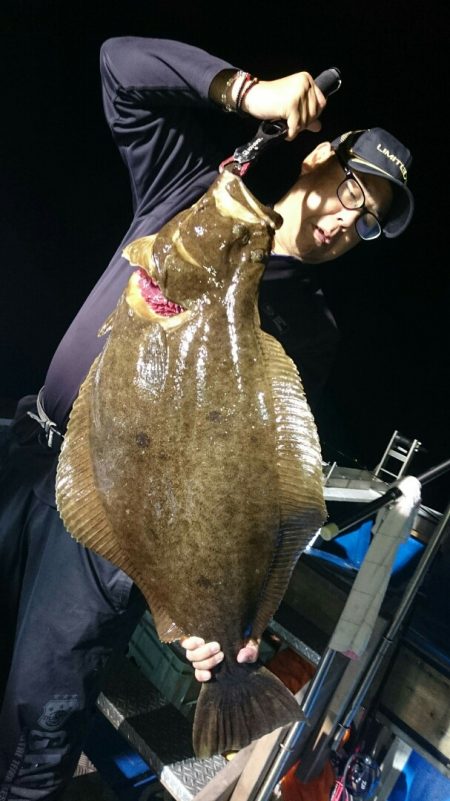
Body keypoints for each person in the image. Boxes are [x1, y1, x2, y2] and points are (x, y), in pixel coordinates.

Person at [0, 36, 413, 800]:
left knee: (36, 728)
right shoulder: (197, 194)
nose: (347, 221)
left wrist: (218, 611)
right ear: (319, 159)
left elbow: (246, 472)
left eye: (369, 223)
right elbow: (119, 65)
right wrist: (248, 91)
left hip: (109, 529)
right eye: (354, 191)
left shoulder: (310, 327)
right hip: (28, 450)